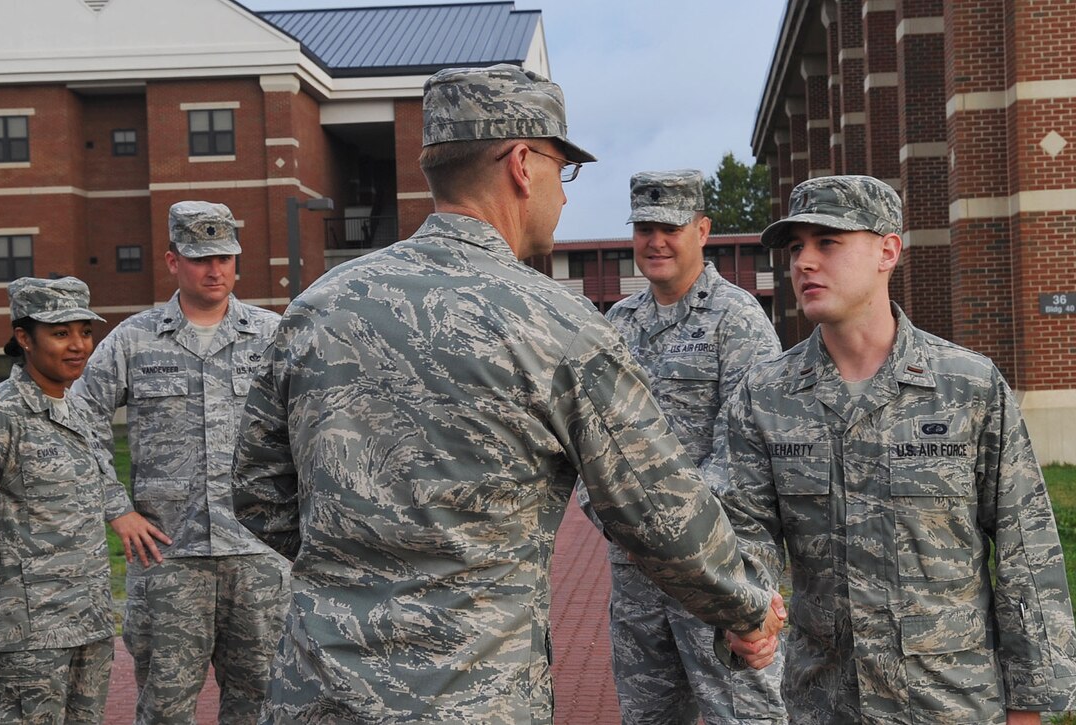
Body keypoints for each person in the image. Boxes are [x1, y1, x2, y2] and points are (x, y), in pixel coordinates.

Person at [231, 63, 785, 724]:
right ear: (523, 163)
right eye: (563, 169)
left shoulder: (316, 307)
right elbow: (658, 507)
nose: (565, 195)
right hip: (471, 693)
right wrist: (746, 605)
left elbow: (258, 490)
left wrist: (359, 571)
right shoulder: (555, 324)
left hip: (316, 690)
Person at [722, 174, 1076, 724]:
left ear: (888, 250)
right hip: (826, 701)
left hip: (950, 700)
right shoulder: (765, 395)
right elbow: (746, 536)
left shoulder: (968, 386)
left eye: (828, 242)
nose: (804, 263)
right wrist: (745, 615)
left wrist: (1028, 705)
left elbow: (1026, 554)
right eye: (795, 248)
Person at [581, 169, 785, 724]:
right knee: (649, 715)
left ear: (702, 229)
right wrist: (618, 518)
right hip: (637, 573)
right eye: (644, 227)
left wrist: (668, 525)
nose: (656, 241)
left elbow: (747, 447)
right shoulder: (617, 324)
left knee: (742, 713)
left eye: (670, 227)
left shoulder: (737, 319)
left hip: (716, 566)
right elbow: (590, 442)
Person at [73, 202, 289, 724]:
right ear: (173, 261)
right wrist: (116, 507)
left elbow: (313, 427)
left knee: (261, 705)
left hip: (260, 556)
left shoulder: (275, 335)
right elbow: (77, 419)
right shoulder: (134, 339)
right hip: (169, 558)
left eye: (224, 257)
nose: (214, 270)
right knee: (165, 709)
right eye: (199, 259)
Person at [0, 277, 167, 724]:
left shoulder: (78, 410)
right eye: (60, 333)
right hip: (24, 638)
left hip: (89, 623)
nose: (78, 345)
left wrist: (120, 509)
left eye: (85, 331)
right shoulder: (0, 417)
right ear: (24, 338)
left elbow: (99, 475)